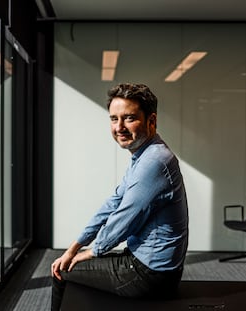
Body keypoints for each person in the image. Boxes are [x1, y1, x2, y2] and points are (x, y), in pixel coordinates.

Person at [51, 83, 188, 310]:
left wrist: (91, 252)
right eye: (114, 119)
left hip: (151, 274)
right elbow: (112, 203)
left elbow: (125, 219)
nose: (119, 127)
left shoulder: (154, 162)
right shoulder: (144, 155)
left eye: (129, 118)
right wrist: (75, 247)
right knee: (71, 262)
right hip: (146, 263)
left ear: (151, 121)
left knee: (62, 271)